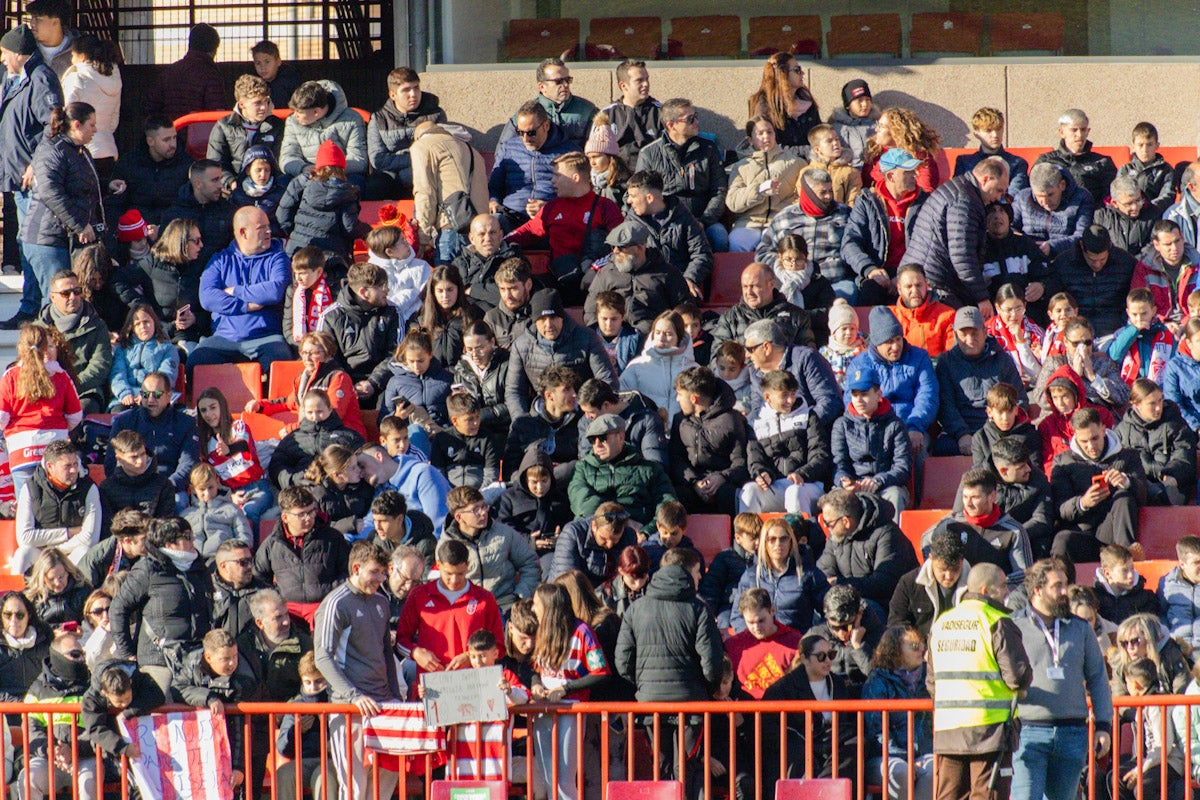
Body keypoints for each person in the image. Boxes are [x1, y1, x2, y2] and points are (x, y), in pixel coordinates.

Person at [616, 550, 724, 799]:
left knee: (660, 765)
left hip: (650, 703)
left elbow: (622, 662)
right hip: (691, 701)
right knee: (688, 766)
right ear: (688, 575)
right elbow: (712, 661)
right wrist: (705, 690)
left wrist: (643, 685)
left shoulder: (636, 608)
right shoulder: (698, 609)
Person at [927, 563, 1032, 800]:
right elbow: (1018, 676)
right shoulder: (997, 621)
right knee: (987, 795)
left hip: (948, 729)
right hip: (990, 729)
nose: (1007, 592)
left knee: (949, 795)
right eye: (1003, 586)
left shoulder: (942, 623)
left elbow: (932, 681)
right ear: (986, 590)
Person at [1009, 559, 1113, 800]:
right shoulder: (1014, 626)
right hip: (1028, 731)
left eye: (1065, 584)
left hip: (1072, 732)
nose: (1065, 592)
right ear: (1037, 590)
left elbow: (1097, 677)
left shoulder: (1080, 628)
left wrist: (1103, 725)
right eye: (1057, 586)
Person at [313, 541, 402, 800]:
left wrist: (395, 695)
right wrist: (353, 696)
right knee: (354, 787)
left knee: (384, 783)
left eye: (384, 573)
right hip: (349, 709)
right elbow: (322, 657)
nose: (381, 578)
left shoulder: (381, 602)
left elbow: (387, 653)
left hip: (383, 705)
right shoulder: (336, 604)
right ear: (356, 568)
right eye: (375, 572)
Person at [0, 23, 63, 329]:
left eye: (4, 53)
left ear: (18, 53)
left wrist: (35, 164)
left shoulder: (40, 78)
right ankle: (33, 307)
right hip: (17, 180)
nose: (1, 59)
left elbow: (52, 124)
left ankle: (37, 308)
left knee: (34, 245)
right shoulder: (17, 80)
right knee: (26, 243)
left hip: (33, 182)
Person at [23, 103, 107, 325]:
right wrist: (80, 224)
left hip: (63, 239)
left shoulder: (80, 152)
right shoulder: (53, 150)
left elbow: (82, 188)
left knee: (66, 299)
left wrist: (108, 186)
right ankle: (44, 352)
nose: (95, 130)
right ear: (76, 125)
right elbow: (51, 192)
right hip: (46, 239)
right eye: (92, 125)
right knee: (56, 300)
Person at [109, 517, 213, 694]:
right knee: (160, 713)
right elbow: (118, 609)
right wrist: (126, 652)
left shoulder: (199, 567)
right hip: (158, 660)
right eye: (186, 536)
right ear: (169, 542)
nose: (192, 540)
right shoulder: (148, 569)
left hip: (196, 659)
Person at [527, 582, 610, 799]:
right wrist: (536, 684)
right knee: (547, 777)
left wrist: (566, 688)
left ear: (549, 606)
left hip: (570, 710)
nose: (533, 609)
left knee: (563, 779)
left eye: (536, 604)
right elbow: (535, 668)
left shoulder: (583, 631)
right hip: (543, 708)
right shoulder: (541, 630)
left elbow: (600, 671)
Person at [191, 206, 292, 376]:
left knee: (281, 360)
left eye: (268, 226)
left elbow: (274, 290)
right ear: (243, 232)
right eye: (262, 228)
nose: (269, 231)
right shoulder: (220, 260)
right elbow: (207, 297)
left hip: (266, 337)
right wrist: (246, 306)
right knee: (196, 361)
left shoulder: (278, 258)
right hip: (224, 339)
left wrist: (235, 290)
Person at [906, 157, 1010, 314]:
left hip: (928, 276)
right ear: (985, 179)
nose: (999, 198)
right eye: (998, 190)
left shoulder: (959, 190)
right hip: (935, 285)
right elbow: (962, 254)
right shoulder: (965, 200)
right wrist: (981, 298)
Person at [760, 632, 860, 794]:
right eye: (821, 656)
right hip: (801, 744)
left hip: (832, 741)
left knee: (857, 743)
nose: (828, 661)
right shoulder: (784, 687)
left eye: (831, 655)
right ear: (805, 659)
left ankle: (827, 786)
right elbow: (767, 724)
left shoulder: (837, 683)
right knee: (797, 751)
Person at [1050, 407, 1148, 564]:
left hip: (1114, 531)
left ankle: (1125, 557)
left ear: (1104, 430)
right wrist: (1082, 503)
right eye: (1084, 441)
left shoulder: (1128, 456)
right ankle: (1060, 583)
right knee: (1062, 540)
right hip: (1083, 532)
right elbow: (1060, 508)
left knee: (1124, 496)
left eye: (1095, 438)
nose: (1090, 446)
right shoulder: (1063, 462)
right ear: (1075, 436)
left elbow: (1143, 496)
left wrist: (1127, 482)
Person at [504, 288, 616, 418]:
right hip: (541, 417)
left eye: (553, 317)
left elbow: (606, 380)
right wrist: (521, 421)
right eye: (542, 319)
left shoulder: (587, 338)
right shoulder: (521, 346)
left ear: (562, 317)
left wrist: (591, 411)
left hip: (581, 415)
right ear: (535, 320)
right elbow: (514, 391)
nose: (549, 324)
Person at [636, 97, 729, 252]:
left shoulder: (708, 149)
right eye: (690, 119)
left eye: (696, 116)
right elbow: (640, 194)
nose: (697, 122)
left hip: (703, 218)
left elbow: (719, 190)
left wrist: (704, 221)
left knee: (719, 238)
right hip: (666, 220)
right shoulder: (649, 154)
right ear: (671, 125)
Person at [0, 323, 81, 497]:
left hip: (22, 450)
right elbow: (75, 415)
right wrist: (59, 428)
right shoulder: (61, 375)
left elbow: (1, 417)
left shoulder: (10, 376)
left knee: (26, 507)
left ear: (21, 347)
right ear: (46, 348)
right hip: (55, 448)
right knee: (58, 504)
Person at [846, 307, 939, 457]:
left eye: (898, 339)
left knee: (918, 452)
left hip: (911, 426)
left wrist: (915, 426)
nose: (896, 347)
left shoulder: (919, 357)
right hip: (874, 428)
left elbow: (928, 395)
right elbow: (852, 403)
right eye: (889, 342)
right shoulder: (859, 365)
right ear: (877, 343)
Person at [842, 148, 929, 306]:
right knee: (869, 295)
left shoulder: (926, 202)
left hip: (913, 272)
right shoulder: (867, 201)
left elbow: (929, 246)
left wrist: (906, 275)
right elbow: (850, 243)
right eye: (908, 171)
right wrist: (870, 269)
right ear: (890, 176)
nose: (915, 175)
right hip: (877, 271)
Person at [936, 306, 1028, 456]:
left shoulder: (1002, 359)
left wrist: (1002, 427)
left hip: (999, 426)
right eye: (963, 334)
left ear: (985, 333)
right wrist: (962, 434)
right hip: (962, 430)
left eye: (975, 333)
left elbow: (1019, 398)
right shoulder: (946, 362)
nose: (970, 340)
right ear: (955, 335)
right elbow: (946, 405)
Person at [17, 628, 96, 800]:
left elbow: (100, 729)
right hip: (48, 759)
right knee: (27, 778)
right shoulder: (37, 689)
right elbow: (31, 730)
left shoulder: (93, 686)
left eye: (82, 654)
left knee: (89, 780)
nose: (82, 659)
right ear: (58, 658)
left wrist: (74, 750)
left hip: (85, 758)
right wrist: (52, 750)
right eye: (75, 654)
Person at [924, 468, 1034, 591]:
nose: (968, 503)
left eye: (975, 497)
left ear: (992, 496)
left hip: (995, 596)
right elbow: (926, 540)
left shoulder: (1013, 531)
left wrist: (995, 584)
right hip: (957, 594)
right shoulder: (951, 524)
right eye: (965, 497)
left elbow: (1025, 574)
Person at [742, 368, 830, 515]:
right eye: (784, 396)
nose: (790, 400)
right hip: (776, 486)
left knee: (794, 493)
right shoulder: (756, 423)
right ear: (767, 397)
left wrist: (802, 473)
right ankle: (745, 538)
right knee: (749, 491)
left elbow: (821, 455)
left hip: (808, 485)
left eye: (793, 394)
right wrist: (762, 473)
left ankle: (801, 535)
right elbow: (755, 459)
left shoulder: (808, 416)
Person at [756, 168, 853, 300]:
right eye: (823, 192)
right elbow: (762, 253)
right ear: (808, 193)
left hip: (833, 282)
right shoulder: (784, 218)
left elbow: (856, 248)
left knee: (847, 293)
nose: (829, 196)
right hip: (791, 281)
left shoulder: (846, 214)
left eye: (830, 191)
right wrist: (785, 266)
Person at [862, 624, 934, 800]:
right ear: (895, 651)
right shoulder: (878, 681)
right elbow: (875, 731)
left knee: (935, 768)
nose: (922, 649)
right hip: (885, 755)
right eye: (915, 646)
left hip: (923, 752)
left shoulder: (929, 677)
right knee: (901, 771)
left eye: (922, 644)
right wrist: (907, 758)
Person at [440, 485, 539, 612]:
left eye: (484, 506)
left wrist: (519, 597)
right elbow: (440, 582)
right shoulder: (446, 545)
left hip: (505, 604)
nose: (483, 512)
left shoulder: (505, 533)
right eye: (476, 510)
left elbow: (530, 563)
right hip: (465, 607)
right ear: (459, 517)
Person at [489, 100, 580, 233]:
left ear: (546, 126)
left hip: (551, 219)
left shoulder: (569, 152)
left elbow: (579, 195)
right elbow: (495, 185)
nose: (525, 138)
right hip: (511, 216)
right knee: (491, 225)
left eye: (531, 133)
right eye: (520, 132)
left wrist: (550, 208)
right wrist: (493, 202)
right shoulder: (509, 148)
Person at [584, 221, 690, 335]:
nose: (615, 251)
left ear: (639, 247)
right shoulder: (606, 273)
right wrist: (600, 334)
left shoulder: (667, 273)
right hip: (613, 337)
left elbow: (683, 310)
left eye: (621, 247)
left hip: (653, 338)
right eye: (613, 246)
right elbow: (590, 310)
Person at [106, 371, 199, 501]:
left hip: (169, 486)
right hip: (130, 486)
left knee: (179, 501)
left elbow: (189, 464)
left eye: (156, 394)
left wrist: (166, 486)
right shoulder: (124, 422)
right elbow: (111, 461)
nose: (150, 400)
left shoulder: (186, 423)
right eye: (145, 394)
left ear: (169, 396)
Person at [668, 366, 748, 515]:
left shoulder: (731, 420)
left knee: (728, 495)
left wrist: (722, 477)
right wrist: (694, 482)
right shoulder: (680, 421)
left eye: (680, 394)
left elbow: (741, 462)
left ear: (694, 398)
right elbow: (676, 458)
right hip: (692, 484)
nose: (677, 399)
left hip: (722, 484)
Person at [568, 412, 675, 523]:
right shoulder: (582, 468)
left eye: (602, 438)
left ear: (621, 437)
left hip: (637, 534)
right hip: (594, 527)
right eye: (592, 440)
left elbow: (667, 505)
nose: (597, 445)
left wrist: (647, 531)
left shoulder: (648, 469)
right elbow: (582, 503)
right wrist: (620, 521)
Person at [622, 169, 713, 297]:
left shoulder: (682, 216)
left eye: (633, 196)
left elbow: (702, 254)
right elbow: (622, 257)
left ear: (649, 198)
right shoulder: (631, 222)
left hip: (678, 287)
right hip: (646, 288)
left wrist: (689, 278)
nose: (628, 201)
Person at [15, 439, 99, 573]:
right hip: (40, 555)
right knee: (23, 554)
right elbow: (25, 537)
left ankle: (80, 593)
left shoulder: (89, 488)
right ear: (50, 466)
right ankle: (16, 593)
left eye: (75, 464)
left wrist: (55, 550)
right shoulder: (31, 488)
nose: (73, 470)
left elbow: (90, 539)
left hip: (71, 553)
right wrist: (68, 533)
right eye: (67, 466)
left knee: (85, 551)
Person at [730, 516, 825, 633]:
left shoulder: (809, 574)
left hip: (797, 643)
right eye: (772, 539)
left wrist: (812, 636)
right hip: (761, 643)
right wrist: (753, 638)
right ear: (764, 543)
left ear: (791, 541)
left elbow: (829, 611)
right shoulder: (751, 576)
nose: (778, 544)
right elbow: (737, 615)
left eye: (783, 539)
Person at [410, 121, 488, 263]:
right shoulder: (472, 151)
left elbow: (425, 193)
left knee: (447, 282)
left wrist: (422, 238)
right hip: (479, 231)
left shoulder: (422, 146)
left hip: (451, 228)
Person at [366, 66, 446, 200]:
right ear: (393, 95)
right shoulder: (379, 119)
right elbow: (378, 159)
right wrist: (411, 161)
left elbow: (440, 151)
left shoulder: (435, 114)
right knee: (374, 186)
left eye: (416, 88)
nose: (413, 94)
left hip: (424, 170)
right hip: (389, 174)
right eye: (406, 90)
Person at [742, 319, 841, 427]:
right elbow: (758, 410)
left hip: (811, 434)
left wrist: (801, 426)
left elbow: (829, 401)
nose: (746, 355)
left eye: (750, 349)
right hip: (774, 438)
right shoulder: (755, 372)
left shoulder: (806, 358)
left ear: (766, 347)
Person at [725, 116, 804, 252]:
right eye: (760, 133)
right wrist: (759, 190)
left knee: (783, 243)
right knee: (736, 241)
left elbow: (801, 195)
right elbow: (733, 203)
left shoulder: (795, 162)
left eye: (770, 132)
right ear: (750, 140)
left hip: (781, 221)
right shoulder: (741, 166)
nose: (766, 136)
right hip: (748, 223)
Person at [36, 269, 110, 414]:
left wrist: (70, 385)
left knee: (81, 410)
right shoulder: (39, 329)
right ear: (52, 297)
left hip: (85, 390)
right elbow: (30, 363)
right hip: (47, 389)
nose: (73, 297)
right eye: (65, 293)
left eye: (77, 291)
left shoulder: (97, 325)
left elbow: (100, 365)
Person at [277, 141, 366, 259]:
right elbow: (349, 227)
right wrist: (368, 232)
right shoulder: (346, 192)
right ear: (342, 168)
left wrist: (296, 233)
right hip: (332, 256)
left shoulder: (299, 183)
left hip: (298, 252)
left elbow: (282, 213)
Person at [1115, 378, 1196, 506]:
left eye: (1160, 401)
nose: (1158, 408)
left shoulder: (1175, 423)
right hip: (1140, 484)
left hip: (1172, 483)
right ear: (1136, 404)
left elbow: (1184, 454)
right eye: (1152, 403)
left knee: (1169, 499)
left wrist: (1171, 475)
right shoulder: (1123, 431)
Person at [110, 116, 193, 233]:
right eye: (166, 140)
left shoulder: (187, 164)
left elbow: (189, 205)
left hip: (172, 232)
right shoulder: (129, 163)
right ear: (150, 141)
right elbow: (116, 205)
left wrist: (163, 229)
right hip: (135, 231)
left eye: (174, 138)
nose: (173, 144)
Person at [1033, 316, 1130, 416]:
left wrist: (1094, 379)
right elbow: (1041, 399)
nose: (1082, 348)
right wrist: (1074, 377)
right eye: (1076, 343)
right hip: (1061, 420)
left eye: (1087, 343)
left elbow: (1123, 397)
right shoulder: (1054, 363)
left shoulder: (1103, 364)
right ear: (1066, 342)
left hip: (1097, 420)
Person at [269, 390, 364, 488]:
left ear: (330, 409)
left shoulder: (349, 436)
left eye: (320, 412)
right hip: (303, 491)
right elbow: (277, 466)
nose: (315, 417)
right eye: (310, 412)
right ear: (303, 411)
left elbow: (362, 465)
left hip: (341, 492)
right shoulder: (294, 439)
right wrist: (294, 480)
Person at [712, 260, 815, 351]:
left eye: (754, 286)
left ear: (771, 284)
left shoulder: (796, 316)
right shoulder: (730, 318)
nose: (749, 292)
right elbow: (718, 357)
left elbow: (807, 355)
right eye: (745, 286)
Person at [355, 442, 451, 539]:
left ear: (379, 456)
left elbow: (438, 525)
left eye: (362, 466)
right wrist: (347, 539)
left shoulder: (423, 474)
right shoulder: (381, 488)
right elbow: (370, 523)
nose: (361, 474)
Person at [279, 79, 367, 182]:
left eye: (299, 112)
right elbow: (288, 155)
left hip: (340, 174)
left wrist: (329, 169)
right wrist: (302, 168)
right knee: (283, 182)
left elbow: (358, 159)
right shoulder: (293, 121)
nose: (295, 115)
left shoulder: (352, 120)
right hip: (307, 173)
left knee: (357, 182)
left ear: (316, 112)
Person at [500, 57, 597, 150]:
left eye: (568, 80)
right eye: (558, 81)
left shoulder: (587, 111)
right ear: (542, 86)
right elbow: (503, 149)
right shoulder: (527, 114)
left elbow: (599, 151)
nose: (565, 85)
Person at [207, 74, 282, 191]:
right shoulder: (224, 126)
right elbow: (215, 162)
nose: (264, 107)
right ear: (242, 104)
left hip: (270, 188)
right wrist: (231, 182)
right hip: (233, 190)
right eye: (257, 103)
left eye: (266, 101)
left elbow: (280, 162)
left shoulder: (277, 126)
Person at [59, 35, 120, 179]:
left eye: (73, 55)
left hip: (83, 151)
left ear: (82, 56)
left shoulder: (76, 78)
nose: (71, 60)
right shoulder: (115, 78)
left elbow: (68, 116)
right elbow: (114, 121)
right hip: (108, 148)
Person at [889, 528, 968, 638]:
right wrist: (917, 647)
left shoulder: (975, 585)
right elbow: (896, 623)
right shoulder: (909, 583)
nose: (949, 576)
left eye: (955, 569)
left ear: (962, 561)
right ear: (931, 558)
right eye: (942, 569)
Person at [725, 587, 802, 699]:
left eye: (761, 620)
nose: (756, 628)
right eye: (750, 622)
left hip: (781, 712)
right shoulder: (732, 645)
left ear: (772, 610)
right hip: (745, 712)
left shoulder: (795, 642)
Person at [1011, 163, 1095, 262]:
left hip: (1066, 261)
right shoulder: (1023, 197)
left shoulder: (1082, 198)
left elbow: (1082, 236)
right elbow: (1010, 227)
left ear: (1062, 185)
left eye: (1050, 195)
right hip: (1026, 259)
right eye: (1039, 196)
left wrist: (1052, 247)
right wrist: (1020, 240)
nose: (1045, 202)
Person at [1033, 109, 1118, 206]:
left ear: (1088, 131)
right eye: (1074, 130)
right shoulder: (1046, 162)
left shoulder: (1102, 163)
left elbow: (1111, 198)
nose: (1079, 135)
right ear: (1061, 132)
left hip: (1092, 216)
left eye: (1083, 129)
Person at [162, 159, 236, 270]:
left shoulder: (228, 211)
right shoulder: (175, 214)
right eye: (215, 180)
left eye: (220, 179)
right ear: (198, 184)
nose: (220, 185)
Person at [142, 23, 223, 120]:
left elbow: (149, 106)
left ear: (190, 45)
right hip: (197, 133)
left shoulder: (169, 72)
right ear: (213, 50)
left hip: (170, 131)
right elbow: (217, 114)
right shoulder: (211, 75)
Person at [548, 503, 638, 587]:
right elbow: (568, 582)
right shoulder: (572, 534)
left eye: (615, 540)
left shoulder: (629, 536)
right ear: (594, 526)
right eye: (603, 539)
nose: (610, 545)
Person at [747, 52, 821, 153]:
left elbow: (821, 135)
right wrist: (807, 152)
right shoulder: (764, 105)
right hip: (781, 163)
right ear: (782, 74)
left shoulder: (807, 101)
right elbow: (766, 145)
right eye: (797, 70)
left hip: (813, 161)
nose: (802, 73)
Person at [99, 429, 175, 525]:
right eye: (134, 457)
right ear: (120, 459)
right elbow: (108, 526)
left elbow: (164, 524)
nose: (140, 461)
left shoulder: (163, 485)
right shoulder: (107, 488)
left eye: (143, 454)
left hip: (153, 537)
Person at [863, 106, 942, 194]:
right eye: (877, 124)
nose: (876, 129)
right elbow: (864, 185)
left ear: (896, 131)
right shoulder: (875, 152)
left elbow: (925, 191)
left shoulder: (919, 158)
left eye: (881, 126)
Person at [954, 107, 1031, 195]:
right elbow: (959, 194)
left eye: (998, 129)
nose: (995, 135)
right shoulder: (964, 162)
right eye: (988, 130)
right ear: (976, 134)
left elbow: (1015, 196)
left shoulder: (1018, 163)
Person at [184, 465, 254, 560]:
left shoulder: (231, 509)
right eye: (202, 489)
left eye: (210, 487)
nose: (207, 493)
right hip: (194, 559)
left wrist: (233, 554)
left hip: (224, 558)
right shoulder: (187, 514)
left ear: (217, 482)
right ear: (192, 489)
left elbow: (244, 535)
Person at [970, 383, 1043, 473]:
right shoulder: (980, 438)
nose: (1005, 418)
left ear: (1016, 410)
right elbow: (979, 472)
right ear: (989, 412)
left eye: (1009, 412)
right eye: (1000, 412)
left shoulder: (1030, 435)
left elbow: (1035, 470)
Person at [601, 59, 660, 165]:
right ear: (623, 86)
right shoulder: (606, 115)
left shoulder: (661, 113)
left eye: (647, 79)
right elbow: (597, 154)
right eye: (639, 80)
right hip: (617, 177)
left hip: (651, 176)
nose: (646, 84)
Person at [891, 264, 956, 358]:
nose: (915, 290)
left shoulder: (946, 315)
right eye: (908, 286)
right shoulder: (890, 316)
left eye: (918, 285)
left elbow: (951, 357)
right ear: (899, 289)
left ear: (926, 285)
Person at [1092, 543, 1160, 625]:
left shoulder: (1146, 598)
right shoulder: (1093, 598)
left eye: (1132, 568)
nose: (1131, 575)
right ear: (1107, 573)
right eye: (1124, 571)